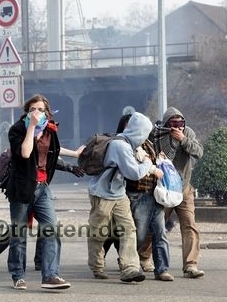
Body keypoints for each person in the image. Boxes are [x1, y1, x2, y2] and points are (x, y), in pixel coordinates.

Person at [4, 94, 72, 290]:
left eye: (41, 110)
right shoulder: (17, 130)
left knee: (51, 229)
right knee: (19, 233)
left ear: (47, 113)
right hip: (22, 188)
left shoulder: (50, 130)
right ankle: (18, 275)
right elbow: (25, 153)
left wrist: (75, 154)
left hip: (42, 188)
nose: (37, 113)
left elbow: (54, 150)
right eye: (33, 109)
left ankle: (50, 276)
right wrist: (32, 127)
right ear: (27, 112)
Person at [0, 154, 84, 271]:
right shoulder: (33, 139)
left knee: (36, 224)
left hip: (34, 186)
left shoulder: (41, 138)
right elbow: (47, 154)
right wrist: (70, 167)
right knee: (27, 227)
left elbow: (52, 151)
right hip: (26, 187)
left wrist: (73, 156)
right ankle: (27, 265)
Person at [101, 112, 173, 281]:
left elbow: (150, 162)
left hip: (155, 193)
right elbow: (133, 172)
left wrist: (157, 161)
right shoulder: (126, 145)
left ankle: (162, 269)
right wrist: (148, 164)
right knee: (138, 234)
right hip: (138, 194)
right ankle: (127, 261)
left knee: (160, 232)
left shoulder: (146, 143)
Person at [87, 111, 155, 282]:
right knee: (99, 232)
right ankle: (96, 265)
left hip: (118, 194)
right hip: (102, 194)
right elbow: (133, 173)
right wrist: (147, 162)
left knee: (129, 229)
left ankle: (130, 268)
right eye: (145, 133)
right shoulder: (121, 146)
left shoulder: (128, 144)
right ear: (140, 132)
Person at [148, 107, 205, 278]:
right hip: (163, 188)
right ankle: (144, 257)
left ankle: (191, 265)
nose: (178, 127)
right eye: (174, 123)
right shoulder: (156, 134)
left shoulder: (187, 133)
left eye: (181, 123)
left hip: (184, 188)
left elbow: (199, 152)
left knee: (189, 226)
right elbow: (148, 153)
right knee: (156, 226)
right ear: (166, 123)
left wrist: (184, 140)